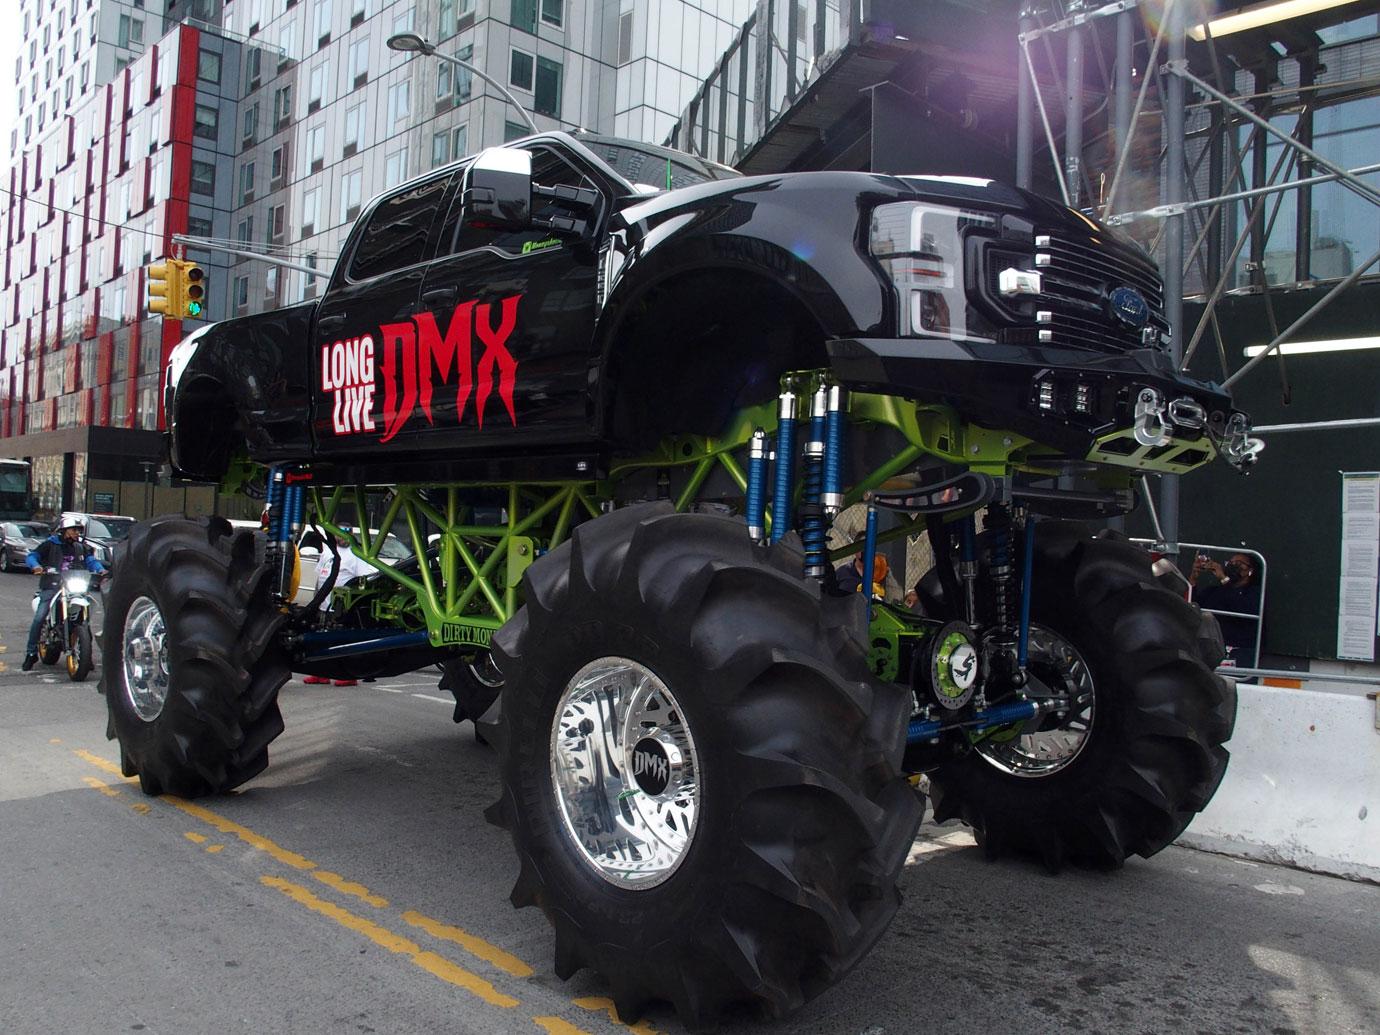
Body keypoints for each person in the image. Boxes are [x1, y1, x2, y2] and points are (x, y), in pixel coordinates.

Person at [23, 516, 105, 671]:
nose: (77, 533)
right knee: (40, 617)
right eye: (74, 530)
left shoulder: (81, 547)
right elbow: (32, 556)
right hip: (53, 586)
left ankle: (85, 656)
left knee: (84, 620)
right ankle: (31, 652)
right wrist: (36, 566)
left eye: (78, 531)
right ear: (64, 530)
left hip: (74, 587)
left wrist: (100, 569)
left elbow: (91, 561)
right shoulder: (50, 544)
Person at [303, 530, 375, 687]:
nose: (342, 538)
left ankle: (347, 674)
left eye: (345, 534)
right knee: (320, 638)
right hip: (323, 604)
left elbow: (365, 578)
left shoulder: (355, 555)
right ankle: (320, 673)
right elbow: (319, 577)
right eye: (339, 534)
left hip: (341, 607)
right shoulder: (328, 551)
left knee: (340, 640)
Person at [1192, 552, 1262, 668]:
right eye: (1231, 563)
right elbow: (1191, 604)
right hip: (1205, 651)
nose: (1233, 565)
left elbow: (1240, 609)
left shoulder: (1255, 593)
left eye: (1239, 563)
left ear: (1250, 571)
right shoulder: (1213, 591)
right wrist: (1194, 576)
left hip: (1238, 653)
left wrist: (1224, 579)